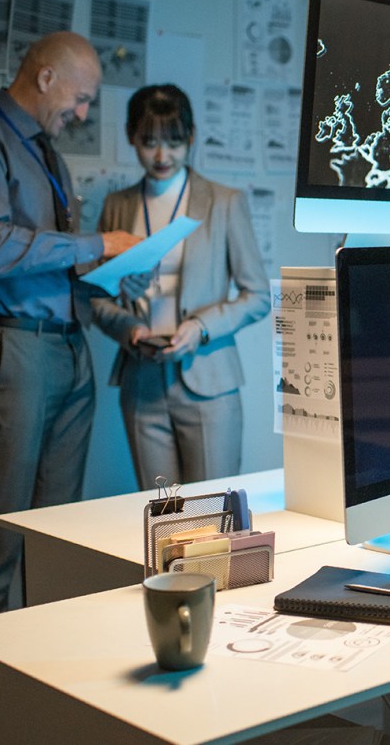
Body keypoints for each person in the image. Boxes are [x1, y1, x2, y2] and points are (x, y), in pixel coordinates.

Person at [0, 30, 143, 742]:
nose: (81, 113)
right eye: (80, 98)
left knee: (54, 537)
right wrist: (96, 246)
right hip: (9, 347)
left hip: (68, 347)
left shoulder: (46, 152)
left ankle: (38, 701)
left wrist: (113, 273)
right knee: (0, 533)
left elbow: (52, 262)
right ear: (45, 77)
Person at [91, 84, 270, 490]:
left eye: (173, 143)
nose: (161, 156)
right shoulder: (117, 205)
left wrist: (201, 327)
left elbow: (258, 296)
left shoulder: (224, 202)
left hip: (208, 380)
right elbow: (98, 297)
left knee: (211, 512)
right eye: (148, 142)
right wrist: (128, 329)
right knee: (162, 513)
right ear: (131, 137)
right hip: (142, 378)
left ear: (191, 137)